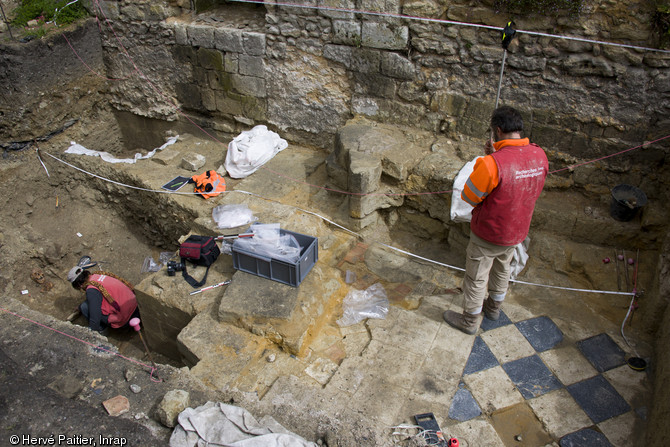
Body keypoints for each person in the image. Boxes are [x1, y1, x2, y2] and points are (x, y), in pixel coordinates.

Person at [443, 106, 548, 334]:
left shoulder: (491, 164)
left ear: (497, 131)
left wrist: (489, 159)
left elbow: (469, 195)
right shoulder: (540, 155)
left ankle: (469, 320)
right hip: (517, 231)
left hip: (489, 233)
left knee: (477, 277)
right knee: (503, 269)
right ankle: (493, 308)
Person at [68, 265, 139, 334]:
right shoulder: (98, 275)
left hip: (126, 319)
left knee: (85, 307)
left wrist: (91, 334)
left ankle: (102, 330)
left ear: (79, 285)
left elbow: (95, 319)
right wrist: (79, 307)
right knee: (85, 305)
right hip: (137, 308)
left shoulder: (91, 290)